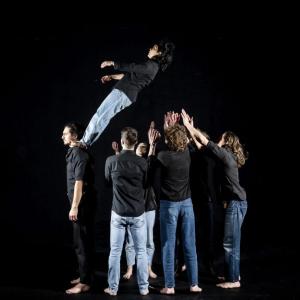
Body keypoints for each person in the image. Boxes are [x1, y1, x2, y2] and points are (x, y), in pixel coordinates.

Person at [181, 109, 248, 289]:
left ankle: (233, 280)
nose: (219, 138)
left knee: (230, 243)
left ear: (226, 141)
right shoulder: (225, 155)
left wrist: (189, 126)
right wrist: (192, 130)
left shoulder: (225, 155)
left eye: (222, 137)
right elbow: (203, 147)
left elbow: (205, 142)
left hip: (236, 203)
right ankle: (232, 274)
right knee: (230, 242)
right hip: (236, 203)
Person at [80, 39, 175, 148]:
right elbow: (129, 76)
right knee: (101, 116)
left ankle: (84, 142)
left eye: (153, 48)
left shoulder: (152, 66)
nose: (149, 49)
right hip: (123, 93)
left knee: (102, 116)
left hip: (124, 93)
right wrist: (112, 76)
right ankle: (86, 142)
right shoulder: (151, 66)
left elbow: (132, 67)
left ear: (160, 53)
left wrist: (113, 63)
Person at [154, 122, 202, 294]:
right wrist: (183, 127)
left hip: (169, 206)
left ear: (168, 140)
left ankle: (170, 286)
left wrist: (153, 143)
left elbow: (150, 169)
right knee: (190, 245)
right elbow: (190, 142)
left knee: (168, 245)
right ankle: (194, 284)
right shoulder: (187, 153)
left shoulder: (163, 156)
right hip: (187, 204)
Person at [104, 127, 149, 296]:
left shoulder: (110, 161)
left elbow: (108, 183)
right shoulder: (143, 163)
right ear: (135, 142)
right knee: (141, 252)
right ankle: (143, 288)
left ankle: (113, 288)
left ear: (122, 141)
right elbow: (146, 184)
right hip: (137, 212)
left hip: (118, 212)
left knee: (115, 252)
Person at [61, 123, 96, 294]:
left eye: (65, 134)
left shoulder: (79, 154)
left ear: (75, 136)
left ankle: (84, 282)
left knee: (81, 242)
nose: (62, 136)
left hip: (82, 205)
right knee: (82, 240)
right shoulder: (75, 152)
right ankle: (86, 275)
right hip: (81, 203)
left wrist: (74, 206)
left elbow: (79, 182)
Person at [122, 126, 160, 280]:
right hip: (134, 206)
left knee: (149, 239)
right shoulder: (133, 163)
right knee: (130, 239)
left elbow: (151, 163)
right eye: (140, 148)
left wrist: (152, 145)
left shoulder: (148, 164)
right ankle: (130, 268)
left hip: (149, 206)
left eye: (145, 149)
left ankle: (148, 267)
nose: (142, 150)